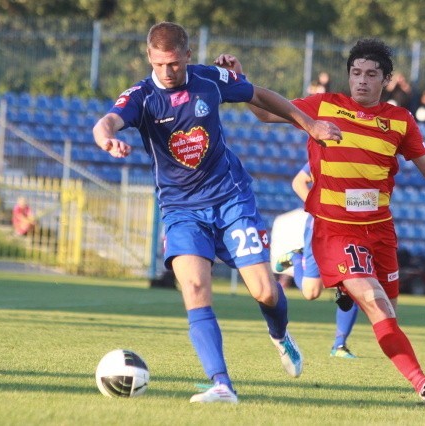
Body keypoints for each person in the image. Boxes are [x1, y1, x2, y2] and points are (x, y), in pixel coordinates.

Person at [216, 38, 425, 410]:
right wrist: (239, 79)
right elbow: (266, 112)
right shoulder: (324, 106)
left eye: (371, 75)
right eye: (356, 73)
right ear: (348, 75)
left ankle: (355, 299)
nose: (362, 81)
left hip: (381, 231)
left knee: (389, 317)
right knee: (374, 302)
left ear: (386, 80)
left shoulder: (400, 121)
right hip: (336, 229)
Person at [92, 22, 342, 404]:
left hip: (231, 199)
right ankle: (222, 383)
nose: (167, 72)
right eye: (159, 64)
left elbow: (258, 93)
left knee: (265, 291)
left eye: (174, 63)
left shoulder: (209, 80)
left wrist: (310, 125)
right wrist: (108, 139)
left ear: (188, 56)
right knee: (194, 287)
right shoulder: (141, 97)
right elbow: (106, 121)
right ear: (149, 58)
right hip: (180, 209)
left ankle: (280, 336)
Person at [275, 162, 360, 359]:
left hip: (350, 228)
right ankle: (297, 258)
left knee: (354, 283)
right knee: (311, 292)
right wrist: (319, 208)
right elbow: (298, 182)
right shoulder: (327, 152)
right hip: (320, 226)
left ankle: (339, 345)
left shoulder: (366, 152)